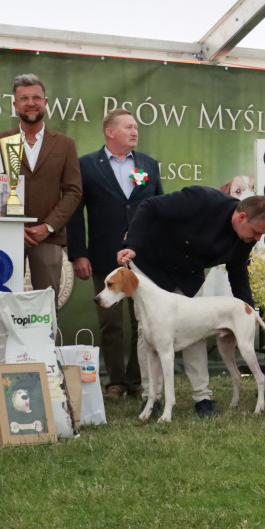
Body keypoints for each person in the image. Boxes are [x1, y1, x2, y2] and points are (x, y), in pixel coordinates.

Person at [115, 187, 265, 417]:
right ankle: (152, 399)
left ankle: (203, 398)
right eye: (256, 232)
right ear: (242, 217)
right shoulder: (202, 199)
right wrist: (130, 244)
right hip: (152, 265)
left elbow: (238, 272)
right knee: (148, 332)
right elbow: (149, 207)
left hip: (188, 275)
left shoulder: (246, 237)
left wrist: (248, 310)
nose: (258, 239)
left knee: (197, 330)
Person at [67, 108, 164, 400]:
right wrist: (78, 254)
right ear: (110, 132)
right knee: (110, 321)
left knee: (142, 320)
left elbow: (159, 208)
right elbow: (74, 214)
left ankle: (138, 381)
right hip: (103, 254)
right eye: (128, 127)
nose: (135, 131)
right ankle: (115, 382)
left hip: (143, 256)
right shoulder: (86, 165)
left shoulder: (148, 164)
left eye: (136, 127)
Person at [0, 74, 82, 298]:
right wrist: (13, 226)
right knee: (3, 300)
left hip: (48, 237)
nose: (31, 103)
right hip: (6, 235)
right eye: (24, 98)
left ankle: (48, 336)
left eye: (36, 97)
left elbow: (73, 191)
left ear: (45, 102)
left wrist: (49, 226)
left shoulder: (65, 144)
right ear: (15, 105)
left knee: (46, 306)